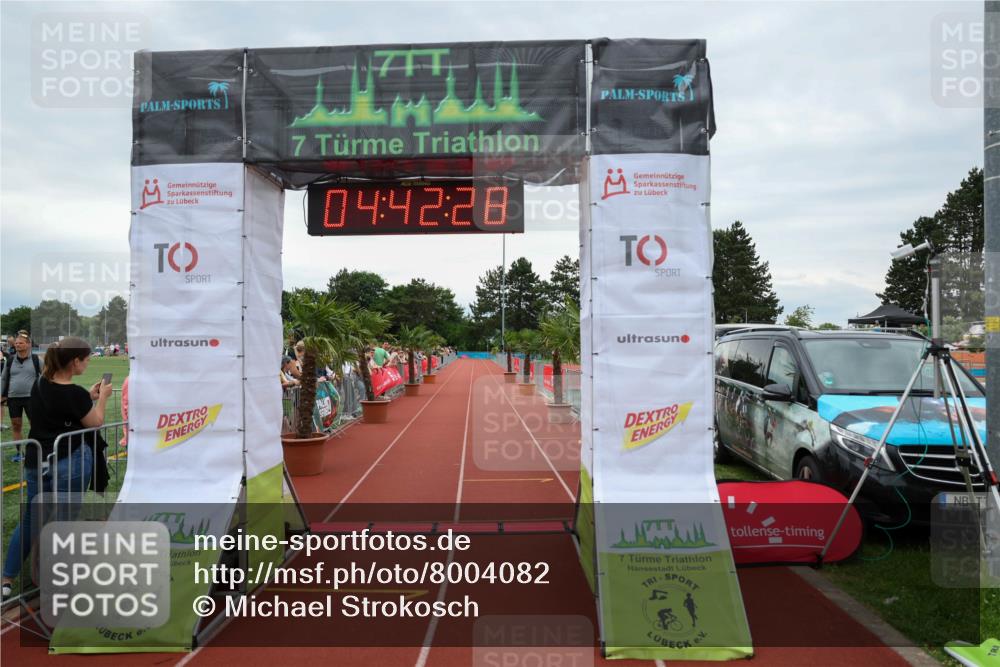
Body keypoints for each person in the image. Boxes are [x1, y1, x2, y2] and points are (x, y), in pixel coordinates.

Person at [2, 337, 112, 599]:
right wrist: (103, 398)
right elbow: (95, 421)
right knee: (65, 523)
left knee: (31, 519)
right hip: (69, 462)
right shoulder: (72, 393)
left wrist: (89, 396)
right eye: (86, 359)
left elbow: (62, 406)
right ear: (75, 362)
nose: (87, 363)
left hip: (37, 462)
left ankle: (7, 578)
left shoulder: (40, 384)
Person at [1, 331, 41, 442]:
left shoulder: (36, 360)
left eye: (21, 343)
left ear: (28, 344)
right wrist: (1, 394)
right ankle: (19, 453)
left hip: (32, 398)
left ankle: (34, 450)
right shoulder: (9, 360)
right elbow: (3, 378)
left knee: (35, 425)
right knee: (16, 426)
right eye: (17, 343)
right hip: (13, 398)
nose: (18, 345)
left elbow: (46, 378)